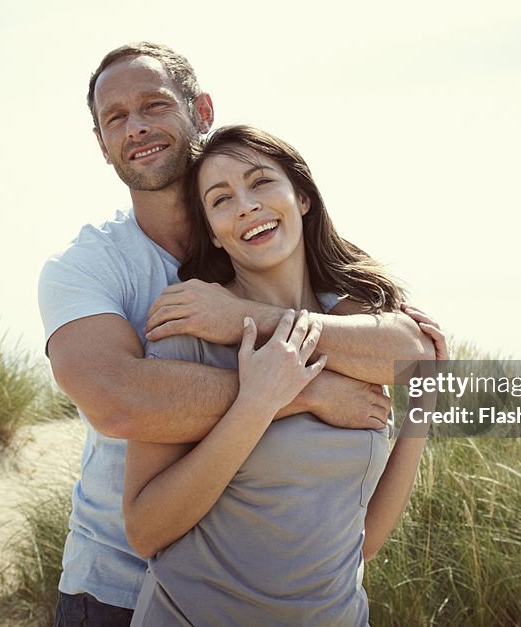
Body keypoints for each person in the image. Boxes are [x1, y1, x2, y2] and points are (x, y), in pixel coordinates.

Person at [38, 42, 438, 625]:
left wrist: (257, 327)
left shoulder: (300, 283)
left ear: (201, 110)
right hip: (117, 587)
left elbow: (416, 358)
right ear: (102, 143)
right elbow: (120, 405)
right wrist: (305, 391)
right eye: (116, 117)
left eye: (154, 105)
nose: (138, 127)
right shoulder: (90, 267)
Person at [125, 125, 446, 625]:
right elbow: (145, 531)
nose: (247, 205)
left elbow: (357, 545)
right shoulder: (190, 328)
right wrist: (258, 404)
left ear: (301, 197)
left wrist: (422, 415)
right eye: (221, 199)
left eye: (260, 182)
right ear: (212, 230)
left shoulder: (353, 334)